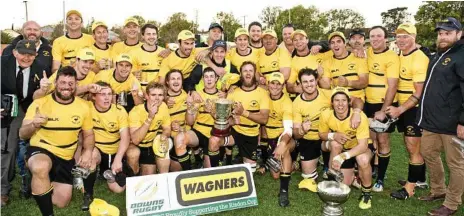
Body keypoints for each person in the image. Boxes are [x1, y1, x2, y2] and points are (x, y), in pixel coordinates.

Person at [19, 66, 94, 215]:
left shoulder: (83, 106)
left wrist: (88, 151)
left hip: (65, 157)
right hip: (42, 149)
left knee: (62, 201)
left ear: (76, 85)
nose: (67, 86)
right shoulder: (40, 103)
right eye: (63, 82)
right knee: (41, 166)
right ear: (56, 84)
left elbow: (89, 134)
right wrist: (34, 124)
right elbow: (22, 134)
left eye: (70, 83)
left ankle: (37, 182)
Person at [416, 17, 464, 216]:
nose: (443, 37)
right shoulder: (438, 55)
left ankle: (452, 203)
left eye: (448, 33)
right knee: (428, 153)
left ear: (459, 34)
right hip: (432, 121)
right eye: (440, 33)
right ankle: (438, 190)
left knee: (456, 164)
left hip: (452, 123)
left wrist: (463, 120)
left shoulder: (461, 56)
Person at [293, 68, 364, 193]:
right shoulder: (297, 103)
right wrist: (302, 130)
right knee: (308, 177)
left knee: (335, 144)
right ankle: (321, 165)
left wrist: (357, 112)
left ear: (316, 81)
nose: (309, 84)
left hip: (328, 138)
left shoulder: (328, 94)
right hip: (310, 139)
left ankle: (333, 177)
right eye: (305, 82)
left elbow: (357, 100)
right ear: (300, 83)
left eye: (311, 81)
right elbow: (296, 134)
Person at [386, 23, 429, 200]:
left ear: (414, 38)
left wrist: (399, 110)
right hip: (404, 107)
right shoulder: (401, 55)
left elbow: (418, 93)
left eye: (406, 36)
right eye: (399, 36)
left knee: (413, 147)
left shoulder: (419, 58)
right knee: (411, 146)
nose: (401, 39)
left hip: (413, 109)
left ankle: (409, 188)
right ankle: (419, 179)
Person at [1, 40, 46, 205]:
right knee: (7, 148)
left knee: (32, 146)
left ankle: (31, 183)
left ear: (35, 55)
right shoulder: (2, 64)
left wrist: (43, 90)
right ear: (14, 52)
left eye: (31, 54)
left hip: (30, 109)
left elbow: (40, 95)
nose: (26, 57)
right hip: (6, 108)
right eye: (23, 53)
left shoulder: (41, 68)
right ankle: (2, 190)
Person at [207, 61, 270, 172]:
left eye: (251, 70)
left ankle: (242, 159)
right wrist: (212, 112)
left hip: (251, 136)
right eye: (245, 71)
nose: (248, 73)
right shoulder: (233, 92)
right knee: (213, 141)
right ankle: (215, 172)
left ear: (255, 73)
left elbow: (264, 119)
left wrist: (243, 113)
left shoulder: (262, 93)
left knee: (250, 171)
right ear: (240, 74)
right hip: (235, 133)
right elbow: (226, 120)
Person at [319, 86, 373, 210]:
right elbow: (321, 135)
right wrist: (334, 135)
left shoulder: (360, 117)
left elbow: (363, 145)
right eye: (337, 100)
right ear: (332, 102)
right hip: (340, 148)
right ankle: (334, 178)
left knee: (363, 159)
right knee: (334, 144)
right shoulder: (326, 114)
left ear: (349, 102)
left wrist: (343, 157)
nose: (340, 104)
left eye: (343, 100)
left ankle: (367, 194)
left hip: (357, 148)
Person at [80, 81, 130, 211]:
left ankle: (108, 175)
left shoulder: (120, 111)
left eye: (109, 94)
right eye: (102, 94)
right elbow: (70, 95)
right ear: (94, 96)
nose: (107, 97)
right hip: (98, 149)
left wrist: (118, 159)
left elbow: (125, 138)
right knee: (91, 155)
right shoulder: (87, 108)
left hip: (114, 151)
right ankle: (88, 194)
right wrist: (86, 86)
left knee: (118, 190)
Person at [364, 26, 400, 192]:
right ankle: (370, 170)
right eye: (372, 36)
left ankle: (380, 178)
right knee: (370, 139)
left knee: (383, 140)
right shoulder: (366, 52)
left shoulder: (392, 57)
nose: (375, 39)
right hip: (367, 103)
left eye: (379, 36)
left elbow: (393, 86)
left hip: (383, 104)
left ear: (386, 38)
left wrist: (384, 109)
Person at [173, 67, 223, 170]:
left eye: (211, 77)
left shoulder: (222, 96)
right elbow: (190, 121)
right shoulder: (197, 95)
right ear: (202, 79)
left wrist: (211, 111)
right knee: (180, 139)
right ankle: (188, 171)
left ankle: (204, 158)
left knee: (209, 171)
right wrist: (190, 107)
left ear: (216, 79)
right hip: (199, 131)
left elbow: (223, 121)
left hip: (215, 134)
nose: (209, 79)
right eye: (206, 77)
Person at [261, 72, 295, 207]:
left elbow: (288, 130)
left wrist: (282, 143)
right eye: (272, 83)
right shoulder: (263, 96)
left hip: (284, 137)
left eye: (278, 84)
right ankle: (293, 165)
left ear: (283, 86)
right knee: (275, 175)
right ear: (268, 84)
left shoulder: (286, 102)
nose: (275, 86)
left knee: (284, 149)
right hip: (269, 139)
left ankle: (284, 191)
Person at [126, 82, 171, 176]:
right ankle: (132, 177)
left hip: (150, 146)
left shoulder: (163, 107)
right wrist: (150, 117)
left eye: (160, 95)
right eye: (153, 95)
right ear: (146, 96)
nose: (157, 98)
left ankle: (164, 179)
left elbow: (167, 128)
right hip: (136, 146)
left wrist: (164, 135)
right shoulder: (135, 111)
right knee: (133, 153)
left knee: (149, 177)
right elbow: (135, 140)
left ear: (164, 97)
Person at [33, 47, 99, 100]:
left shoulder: (92, 75)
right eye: (85, 61)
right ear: (77, 60)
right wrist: (42, 90)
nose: (88, 66)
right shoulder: (62, 72)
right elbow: (36, 98)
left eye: (91, 63)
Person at [319, 31, 368, 101]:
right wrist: (319, 76)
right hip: (338, 102)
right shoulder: (326, 63)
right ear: (330, 46)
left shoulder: (358, 58)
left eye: (339, 41)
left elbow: (364, 82)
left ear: (345, 44)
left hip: (358, 100)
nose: (336, 45)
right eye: (332, 43)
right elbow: (326, 86)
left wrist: (348, 83)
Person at [287, 29, 331, 97]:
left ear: (307, 40)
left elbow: (335, 46)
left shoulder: (319, 53)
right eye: (295, 40)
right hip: (307, 100)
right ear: (292, 43)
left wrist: (320, 46)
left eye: (301, 39)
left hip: (325, 97)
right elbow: (289, 87)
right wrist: (295, 89)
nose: (298, 42)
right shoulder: (293, 62)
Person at [129, 23, 165, 89]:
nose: (151, 37)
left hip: (159, 93)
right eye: (148, 34)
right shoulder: (134, 53)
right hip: (140, 93)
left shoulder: (164, 52)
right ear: (143, 36)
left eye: (154, 34)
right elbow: (131, 75)